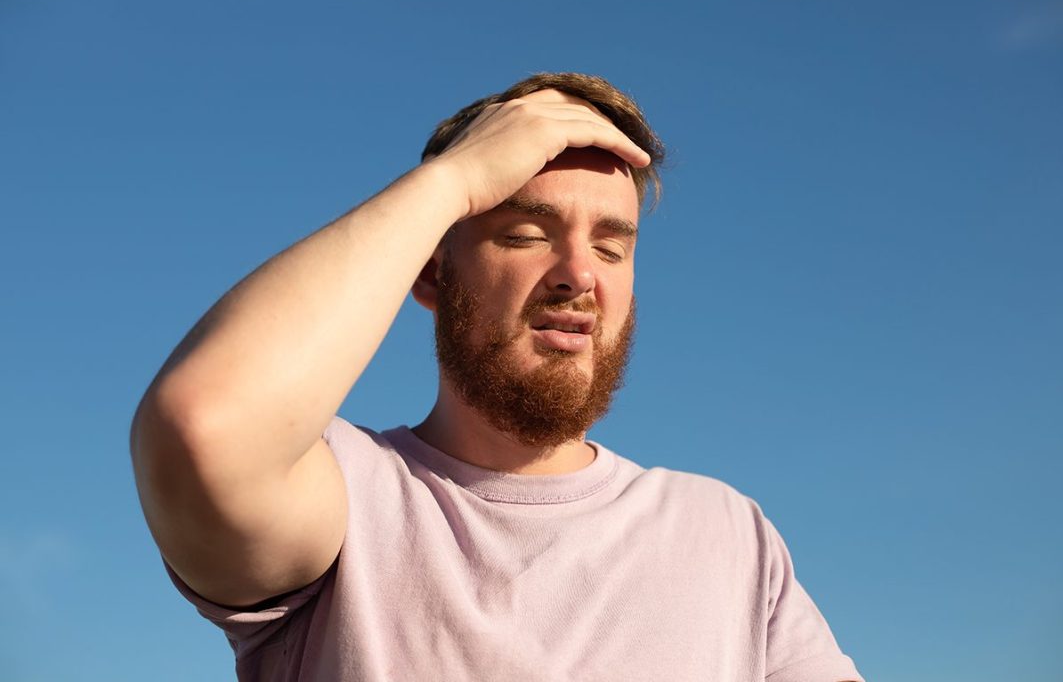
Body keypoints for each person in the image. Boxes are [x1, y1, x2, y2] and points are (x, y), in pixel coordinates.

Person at [131, 73, 864, 681]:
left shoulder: (727, 536)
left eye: (612, 248)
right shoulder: (348, 501)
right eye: (523, 234)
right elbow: (202, 425)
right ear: (429, 271)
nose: (579, 275)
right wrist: (452, 181)